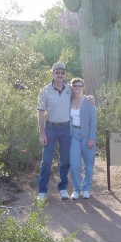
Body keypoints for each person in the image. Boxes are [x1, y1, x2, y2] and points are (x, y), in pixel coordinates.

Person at [37, 63, 94, 201]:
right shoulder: (45, 91)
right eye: (57, 72)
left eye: (62, 72)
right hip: (50, 128)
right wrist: (42, 133)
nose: (60, 75)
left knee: (65, 160)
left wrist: (90, 98)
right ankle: (42, 191)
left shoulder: (69, 88)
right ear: (52, 73)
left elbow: (80, 95)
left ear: (65, 74)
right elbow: (40, 112)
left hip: (66, 129)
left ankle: (62, 188)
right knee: (46, 160)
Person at [69, 77, 97, 200]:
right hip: (73, 134)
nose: (77, 88)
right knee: (74, 163)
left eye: (79, 86)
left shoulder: (89, 101)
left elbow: (93, 121)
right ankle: (77, 189)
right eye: (75, 86)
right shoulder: (68, 100)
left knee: (88, 164)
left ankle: (86, 189)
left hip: (87, 135)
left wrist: (92, 138)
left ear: (83, 87)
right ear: (72, 87)